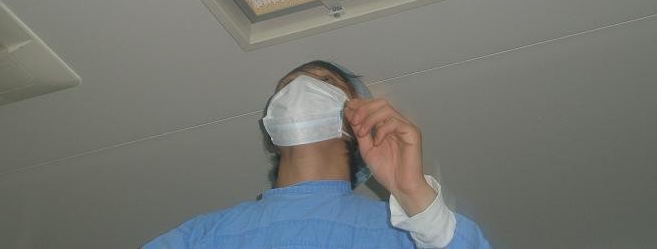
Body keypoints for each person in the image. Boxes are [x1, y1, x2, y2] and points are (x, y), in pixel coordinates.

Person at [143, 60, 491, 248]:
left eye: (325, 82)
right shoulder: (204, 236)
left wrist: (413, 194)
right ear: (272, 132)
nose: (300, 89)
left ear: (357, 122)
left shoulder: (404, 233)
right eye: (286, 88)